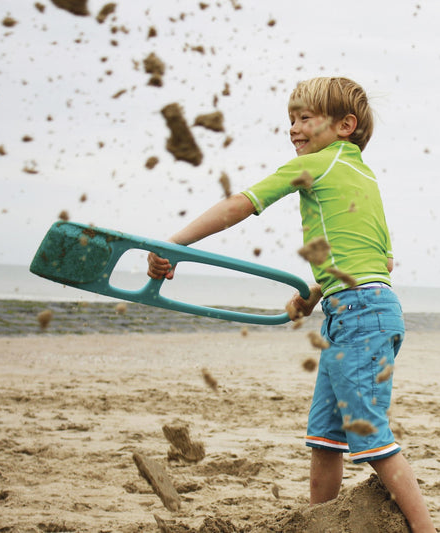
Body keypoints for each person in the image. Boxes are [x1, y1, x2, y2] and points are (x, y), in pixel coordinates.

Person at [147, 77, 435, 532]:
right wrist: (312, 296)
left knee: (368, 431)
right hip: (359, 310)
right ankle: (319, 523)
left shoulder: (317, 165)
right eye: (290, 120)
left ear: (345, 124)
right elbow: (376, 259)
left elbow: (241, 204)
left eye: (305, 118)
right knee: (325, 438)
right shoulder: (360, 173)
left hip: (360, 314)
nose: (294, 129)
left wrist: (173, 244)